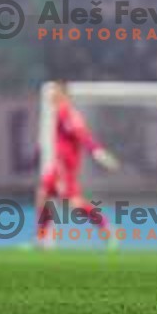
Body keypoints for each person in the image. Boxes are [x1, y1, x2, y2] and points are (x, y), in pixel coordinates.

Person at [36, 81, 120, 246]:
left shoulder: (67, 113)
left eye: (56, 92)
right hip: (58, 165)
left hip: (66, 167)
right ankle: (41, 239)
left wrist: (97, 152)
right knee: (43, 195)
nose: (52, 96)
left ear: (64, 95)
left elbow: (82, 136)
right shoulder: (59, 113)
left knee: (74, 203)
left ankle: (107, 230)